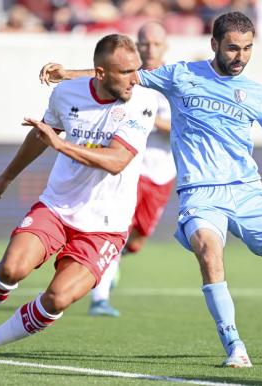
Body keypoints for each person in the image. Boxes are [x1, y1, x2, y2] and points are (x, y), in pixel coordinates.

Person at [40, 11, 262, 368]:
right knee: (209, 252)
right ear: (215, 44)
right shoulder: (181, 75)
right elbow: (120, 74)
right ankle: (235, 345)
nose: (241, 56)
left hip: (248, 193)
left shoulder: (255, 93)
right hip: (200, 194)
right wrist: (68, 74)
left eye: (248, 48)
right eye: (233, 48)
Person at [0, 34, 158, 372]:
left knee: (57, 298)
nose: (134, 78)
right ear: (100, 73)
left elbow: (116, 160)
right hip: (57, 206)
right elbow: (41, 136)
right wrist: (8, 175)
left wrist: (60, 145)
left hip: (106, 227)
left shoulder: (142, 101)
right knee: (11, 267)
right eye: (125, 71)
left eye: (136, 70)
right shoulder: (66, 93)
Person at [88, 21, 176, 317]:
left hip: (162, 172)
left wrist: (151, 120)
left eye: (156, 44)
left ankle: (113, 260)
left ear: (165, 46)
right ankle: (99, 297)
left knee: (137, 239)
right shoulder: (127, 77)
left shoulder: (174, 80)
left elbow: (179, 127)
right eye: (144, 44)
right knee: (119, 228)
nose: (150, 49)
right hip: (129, 166)